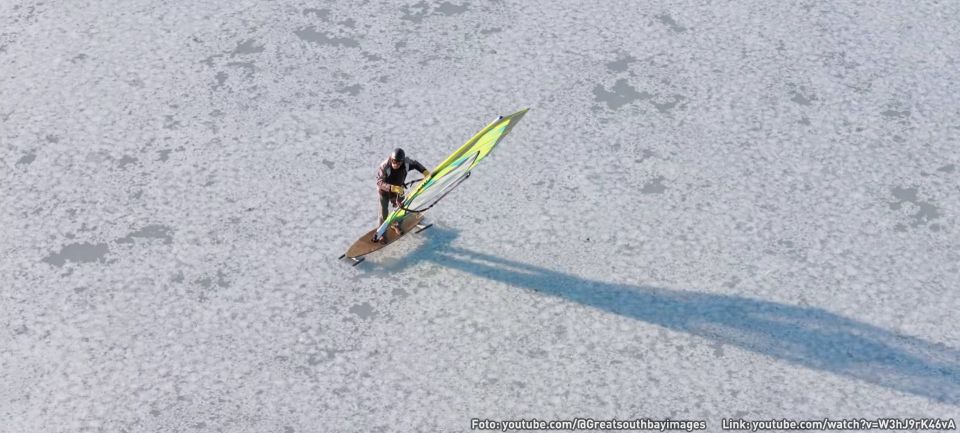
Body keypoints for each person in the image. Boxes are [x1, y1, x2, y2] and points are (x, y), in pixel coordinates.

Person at [374, 148, 429, 241]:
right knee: (383, 214)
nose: (396, 164)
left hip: (398, 191)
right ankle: (381, 234)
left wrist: (425, 172)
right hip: (384, 192)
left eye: (398, 162)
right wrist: (392, 187)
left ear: (402, 161)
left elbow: (415, 164)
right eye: (394, 161)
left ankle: (396, 225)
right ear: (391, 159)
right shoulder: (385, 166)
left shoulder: (406, 163)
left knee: (402, 209)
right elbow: (379, 182)